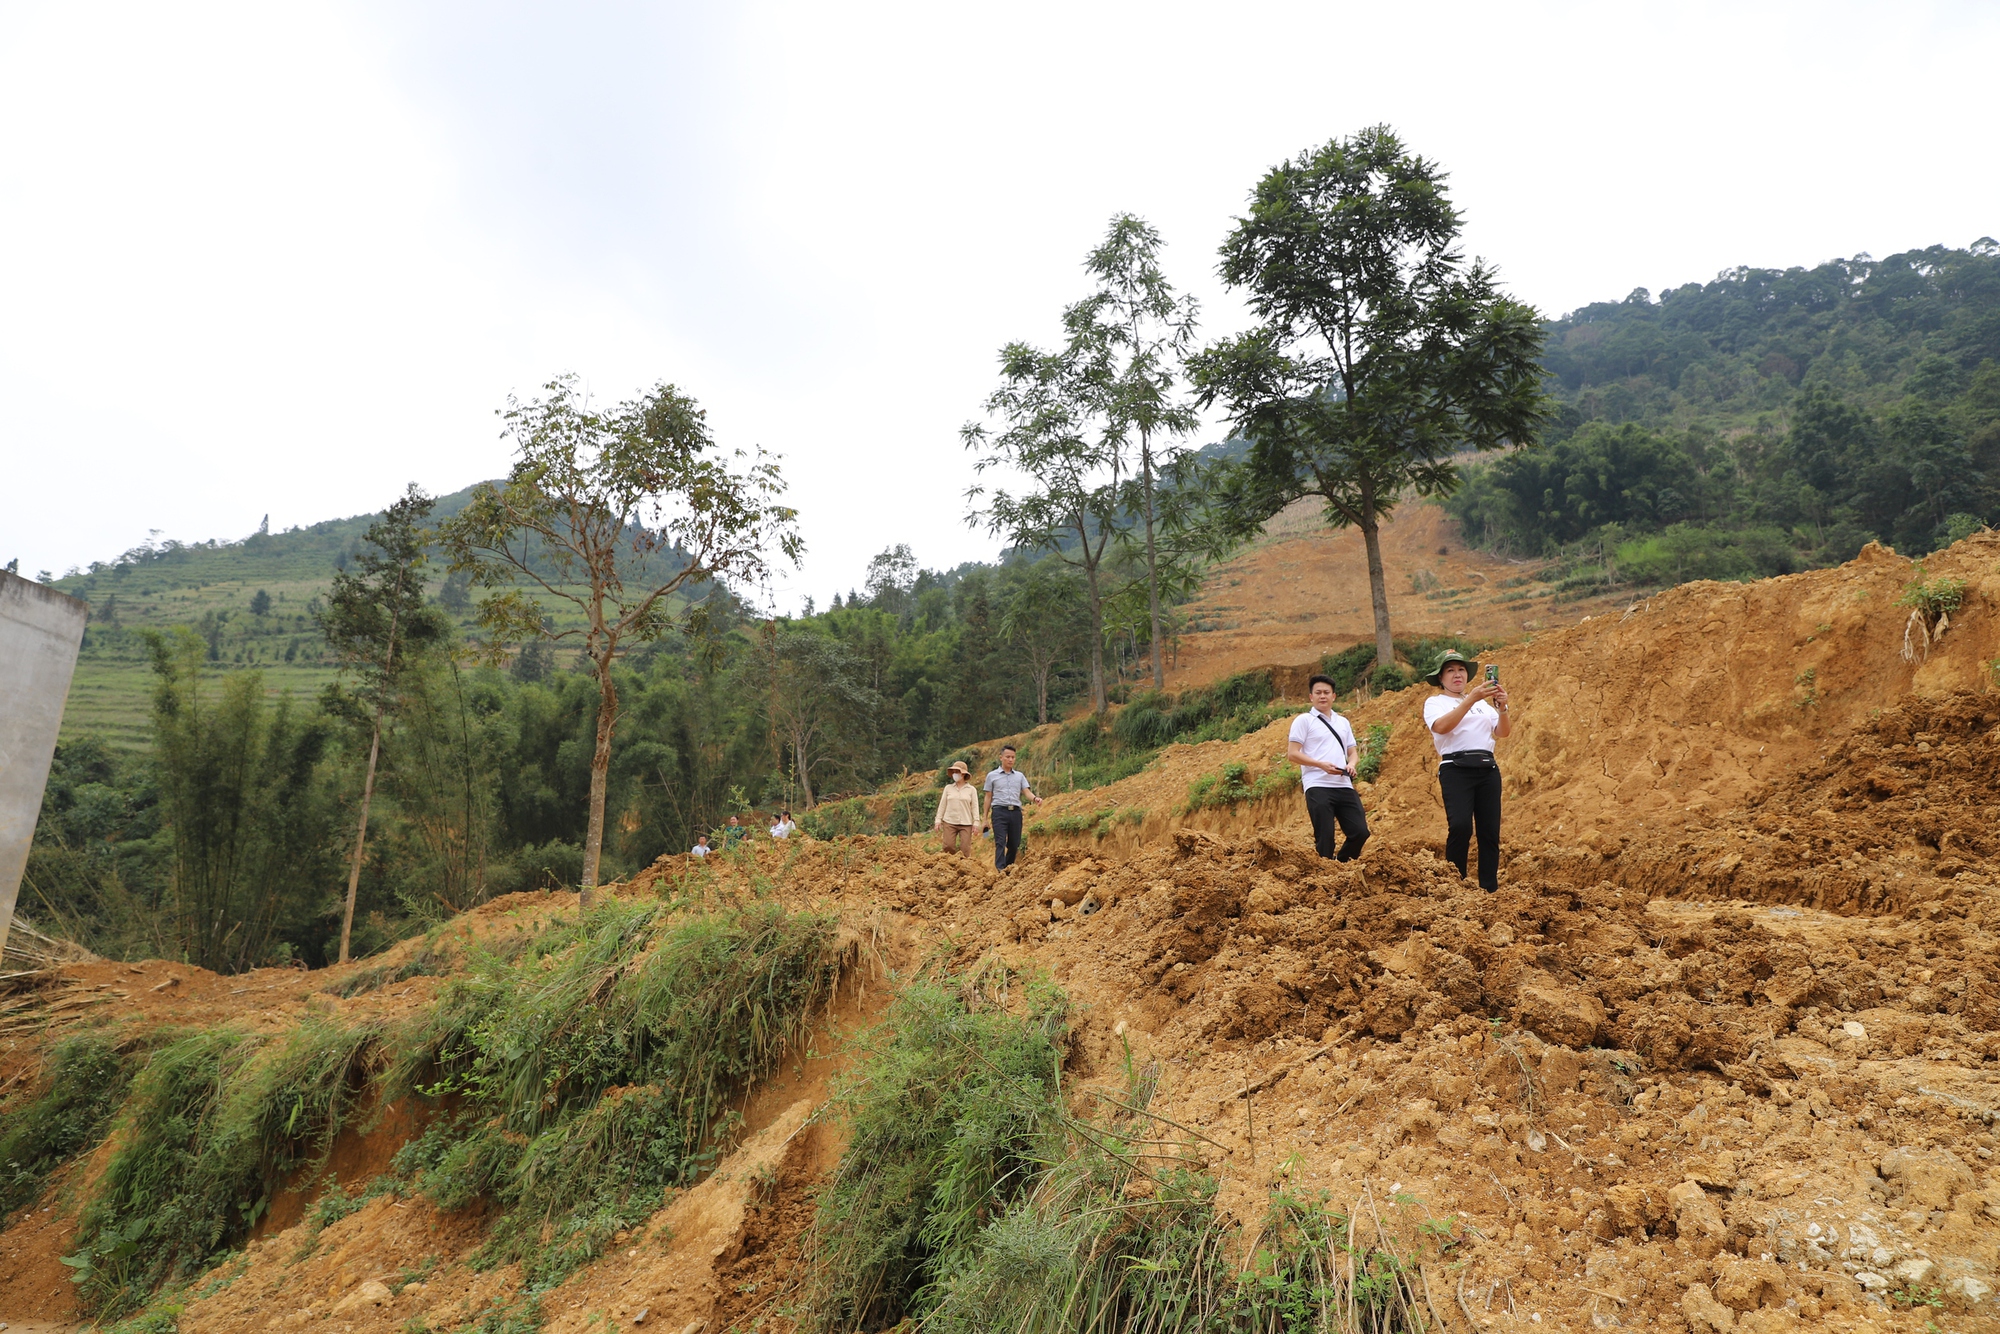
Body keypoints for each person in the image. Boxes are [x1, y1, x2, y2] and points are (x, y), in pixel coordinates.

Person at [1423, 649, 1511, 891]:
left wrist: (1502, 708)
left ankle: (1489, 888)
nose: (1457, 674)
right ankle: (1455, 883)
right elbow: (1441, 727)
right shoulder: (1435, 702)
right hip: (1455, 768)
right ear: (1440, 678)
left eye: (1461, 669)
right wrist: (1470, 699)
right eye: (1450, 670)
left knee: (1489, 831)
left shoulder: (1484, 706)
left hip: (1487, 768)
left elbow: (1502, 732)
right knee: (1461, 825)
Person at [1284, 673, 1368, 861]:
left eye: (1326, 692)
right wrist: (1320, 765)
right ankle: (1324, 877)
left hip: (1343, 784)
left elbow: (1353, 752)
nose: (1323, 696)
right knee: (1325, 837)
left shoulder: (1343, 722)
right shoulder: (1304, 720)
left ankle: (1340, 864)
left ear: (1334, 696)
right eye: (1318, 692)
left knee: (1360, 832)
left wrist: (1352, 764)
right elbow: (1293, 753)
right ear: (1311, 697)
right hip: (1317, 784)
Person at [982, 745, 1041, 871]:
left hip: (1015, 812)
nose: (1010, 759)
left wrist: (1035, 798)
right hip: (999, 811)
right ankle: (1000, 869)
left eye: (1013, 757)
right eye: (1008, 757)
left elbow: (1026, 792)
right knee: (1000, 842)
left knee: (1014, 844)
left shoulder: (1019, 776)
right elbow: (988, 797)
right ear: (1001, 758)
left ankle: (1008, 868)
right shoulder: (992, 776)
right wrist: (985, 818)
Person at [933, 761, 982, 856]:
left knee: (965, 849)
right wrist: (938, 820)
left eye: (957, 772)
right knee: (948, 846)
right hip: (949, 821)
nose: (955, 774)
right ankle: (949, 867)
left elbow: (975, 807)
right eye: (954, 772)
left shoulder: (971, 790)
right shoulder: (948, 788)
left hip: (966, 822)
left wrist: (976, 822)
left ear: (963, 774)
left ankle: (964, 867)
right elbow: (942, 805)